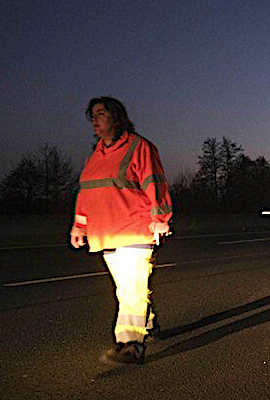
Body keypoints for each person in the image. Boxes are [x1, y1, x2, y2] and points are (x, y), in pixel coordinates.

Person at [70, 96, 173, 365]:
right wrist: (79, 225)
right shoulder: (96, 155)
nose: (95, 118)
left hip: (135, 226)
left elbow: (155, 182)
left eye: (101, 113)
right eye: (92, 114)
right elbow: (87, 192)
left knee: (129, 289)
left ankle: (130, 344)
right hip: (105, 232)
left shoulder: (139, 146)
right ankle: (148, 324)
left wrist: (161, 218)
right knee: (127, 286)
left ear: (117, 117)